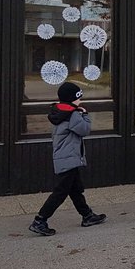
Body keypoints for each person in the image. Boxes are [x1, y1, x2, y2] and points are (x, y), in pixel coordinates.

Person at [29, 82, 106, 236]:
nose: (80, 101)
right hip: (68, 158)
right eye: (79, 98)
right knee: (60, 192)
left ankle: (87, 215)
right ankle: (40, 220)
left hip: (66, 157)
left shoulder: (61, 111)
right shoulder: (73, 114)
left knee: (76, 190)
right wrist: (84, 114)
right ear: (72, 99)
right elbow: (85, 130)